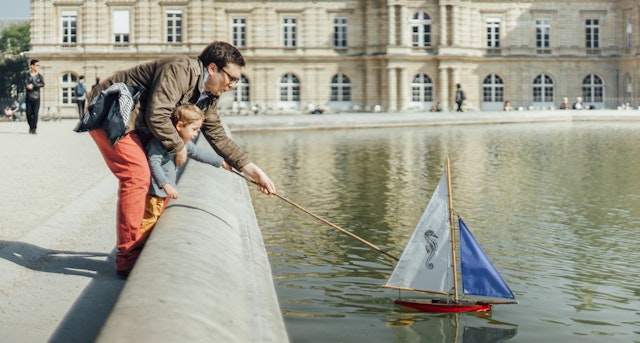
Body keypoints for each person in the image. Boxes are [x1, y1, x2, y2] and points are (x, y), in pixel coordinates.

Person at [85, 41, 276, 278]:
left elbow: (216, 133)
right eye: (232, 78)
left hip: (138, 122)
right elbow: (158, 114)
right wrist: (179, 147)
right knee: (137, 177)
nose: (233, 85)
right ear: (213, 68)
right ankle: (128, 259)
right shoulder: (181, 69)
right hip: (111, 112)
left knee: (158, 177)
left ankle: (142, 242)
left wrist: (254, 172)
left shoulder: (208, 95)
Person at [140, 104, 231, 237]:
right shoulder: (161, 141)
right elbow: (153, 162)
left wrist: (221, 162)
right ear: (180, 126)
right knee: (149, 222)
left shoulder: (182, 142)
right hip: (155, 191)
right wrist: (165, 185)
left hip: (162, 192)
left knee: (156, 221)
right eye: (194, 129)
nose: (196, 134)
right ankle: (137, 251)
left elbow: (198, 152)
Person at [25, 59, 45, 134]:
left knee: (35, 113)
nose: (38, 67)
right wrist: (27, 85)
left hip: (36, 97)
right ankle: (31, 126)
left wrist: (34, 85)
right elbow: (25, 82)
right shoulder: (27, 75)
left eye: (38, 65)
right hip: (28, 97)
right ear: (31, 66)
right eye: (36, 65)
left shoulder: (39, 76)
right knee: (28, 114)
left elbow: (42, 84)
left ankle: (34, 128)